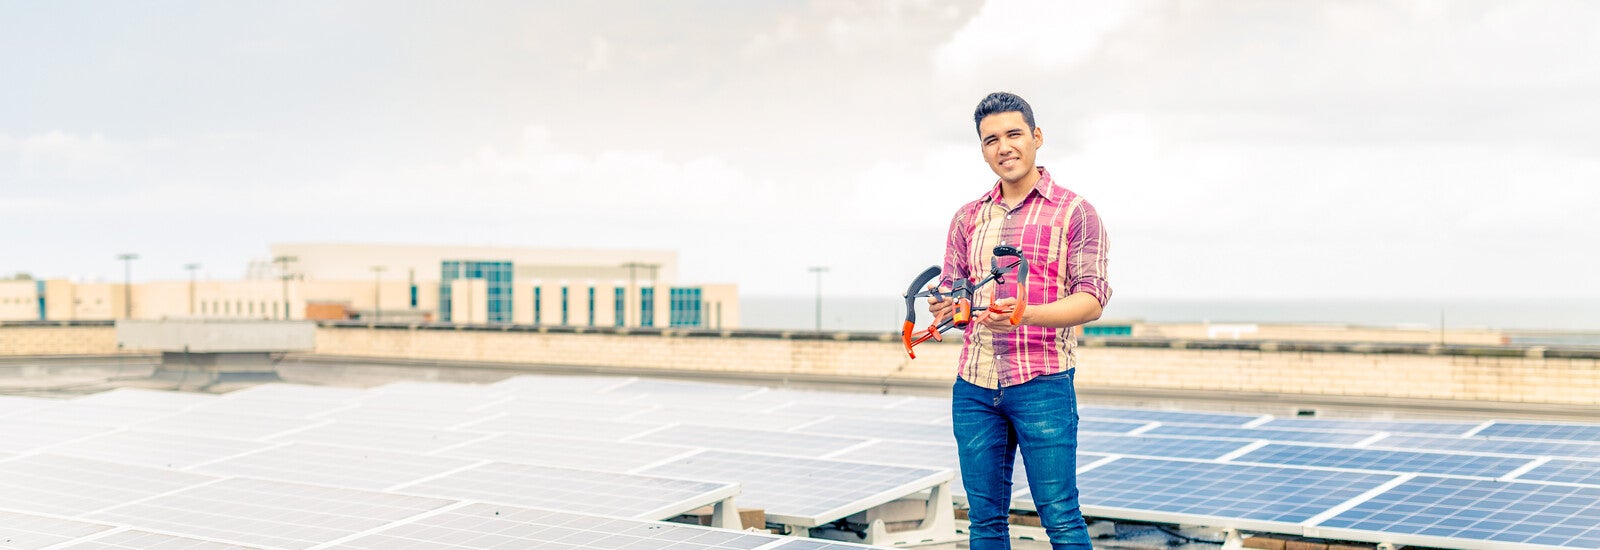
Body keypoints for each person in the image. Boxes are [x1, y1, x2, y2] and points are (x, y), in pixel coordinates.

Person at [928, 92, 1111, 549]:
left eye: (1013, 134)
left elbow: (1091, 300)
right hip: (973, 385)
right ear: (982, 149)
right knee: (984, 522)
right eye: (991, 139)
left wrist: (1025, 314)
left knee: (1061, 519)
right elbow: (956, 292)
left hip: (1043, 382)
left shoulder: (1075, 212)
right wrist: (945, 308)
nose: (1003, 147)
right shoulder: (966, 218)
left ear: (1037, 137)